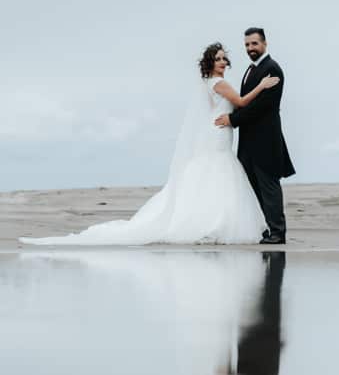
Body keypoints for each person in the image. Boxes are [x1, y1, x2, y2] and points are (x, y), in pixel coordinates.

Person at [19, 42, 277, 245]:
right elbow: (242, 102)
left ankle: (212, 220)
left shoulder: (210, 83)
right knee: (218, 173)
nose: (223, 62)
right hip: (218, 133)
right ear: (210, 63)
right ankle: (211, 223)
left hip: (218, 130)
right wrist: (262, 86)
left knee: (213, 174)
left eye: (224, 58)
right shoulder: (218, 83)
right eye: (218, 58)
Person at [214, 27, 295, 244]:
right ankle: (266, 228)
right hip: (248, 143)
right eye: (247, 45)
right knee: (253, 188)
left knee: (268, 186)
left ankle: (278, 232)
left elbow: (262, 106)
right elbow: (244, 100)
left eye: (254, 44)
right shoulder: (251, 69)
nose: (250, 48)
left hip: (266, 141)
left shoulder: (272, 69)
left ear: (265, 44)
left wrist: (233, 120)